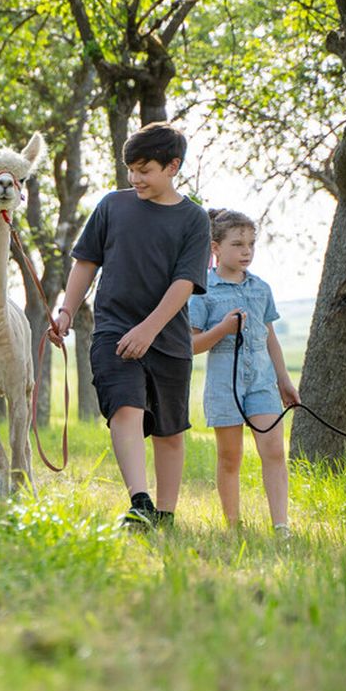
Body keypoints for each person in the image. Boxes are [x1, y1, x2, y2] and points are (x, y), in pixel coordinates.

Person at [50, 123, 211, 528]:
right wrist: (66, 311)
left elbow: (185, 283)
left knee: (170, 432)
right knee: (126, 408)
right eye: (131, 170)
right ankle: (140, 502)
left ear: (173, 166)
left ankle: (167, 515)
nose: (135, 178)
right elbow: (86, 262)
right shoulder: (112, 206)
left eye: (145, 170)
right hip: (113, 329)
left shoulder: (194, 219)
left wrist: (149, 330)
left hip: (168, 337)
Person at [188, 209, 299, 534]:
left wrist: (284, 381)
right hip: (225, 386)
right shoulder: (202, 290)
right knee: (230, 456)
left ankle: (281, 526)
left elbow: (270, 338)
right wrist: (222, 329)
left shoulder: (261, 288)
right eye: (238, 244)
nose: (246, 251)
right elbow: (191, 345)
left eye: (251, 244)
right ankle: (233, 526)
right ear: (216, 248)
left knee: (275, 452)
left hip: (262, 384)